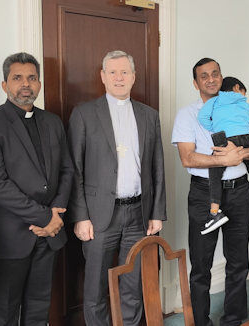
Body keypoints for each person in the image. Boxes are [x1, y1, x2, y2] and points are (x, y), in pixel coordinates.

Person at [0, 52, 73, 326]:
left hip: (49, 235)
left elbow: (67, 170)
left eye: (32, 78)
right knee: (5, 312)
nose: (25, 84)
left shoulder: (52, 122)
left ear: (39, 84)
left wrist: (56, 213)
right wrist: (44, 218)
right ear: (4, 85)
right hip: (10, 236)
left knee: (39, 309)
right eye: (17, 78)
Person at [67, 50, 166, 326]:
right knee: (95, 287)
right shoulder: (84, 114)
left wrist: (157, 213)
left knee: (132, 284)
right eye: (113, 72)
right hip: (98, 217)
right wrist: (80, 216)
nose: (119, 78)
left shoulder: (149, 116)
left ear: (134, 77)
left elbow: (157, 167)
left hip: (138, 214)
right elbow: (74, 169)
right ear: (103, 77)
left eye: (124, 72)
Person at [172, 58, 249, 326]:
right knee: (201, 266)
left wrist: (242, 153)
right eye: (204, 76)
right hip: (204, 195)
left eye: (215, 74)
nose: (211, 79)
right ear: (196, 83)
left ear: (221, 76)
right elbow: (188, 158)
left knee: (239, 263)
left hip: (239, 193)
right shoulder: (188, 114)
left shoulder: (240, 106)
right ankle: (200, 322)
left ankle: (233, 321)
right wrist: (224, 160)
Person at [197, 76, 249, 235]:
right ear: (238, 88)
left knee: (215, 170)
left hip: (225, 138)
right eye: (244, 92)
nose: (245, 95)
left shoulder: (215, 101)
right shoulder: (246, 104)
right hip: (245, 137)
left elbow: (202, 117)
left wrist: (216, 127)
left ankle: (215, 212)